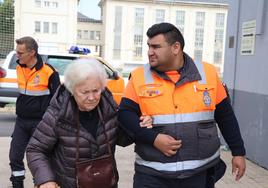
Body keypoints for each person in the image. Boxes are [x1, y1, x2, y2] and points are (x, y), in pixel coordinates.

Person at [118, 22, 246, 188]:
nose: (150, 52)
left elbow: (225, 115)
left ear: (175, 47)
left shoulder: (207, 73)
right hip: (152, 174)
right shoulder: (139, 76)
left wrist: (238, 152)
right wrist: (154, 138)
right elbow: (125, 115)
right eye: (149, 46)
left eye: (156, 47)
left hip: (198, 173)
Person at [26, 58, 152, 188]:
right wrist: (45, 179)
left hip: (105, 183)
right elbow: (36, 149)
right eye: (85, 92)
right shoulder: (58, 113)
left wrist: (139, 126)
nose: (92, 98)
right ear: (72, 90)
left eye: (96, 91)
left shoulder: (108, 107)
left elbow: (120, 138)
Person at [9, 36, 60, 188]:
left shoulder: (48, 71)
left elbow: (58, 100)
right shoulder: (19, 68)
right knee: (15, 156)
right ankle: (17, 185)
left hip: (41, 123)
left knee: (39, 159)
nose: (17, 55)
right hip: (21, 121)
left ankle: (40, 184)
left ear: (32, 52)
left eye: (20, 52)